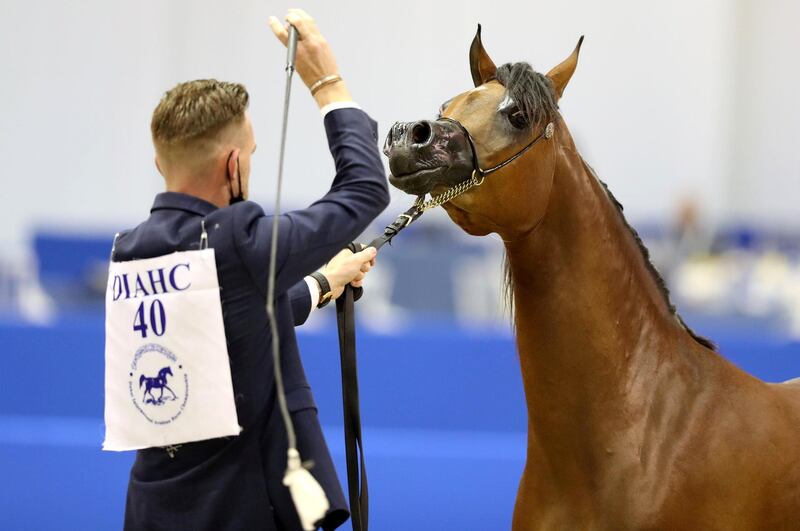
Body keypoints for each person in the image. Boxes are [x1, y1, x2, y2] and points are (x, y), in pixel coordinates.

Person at [112, 9, 390, 530]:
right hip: (239, 513)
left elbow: (226, 321)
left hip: (150, 514)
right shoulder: (239, 243)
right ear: (234, 165)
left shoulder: (129, 251)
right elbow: (365, 188)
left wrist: (321, 283)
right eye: (253, 155)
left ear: (159, 164)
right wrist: (328, 83)